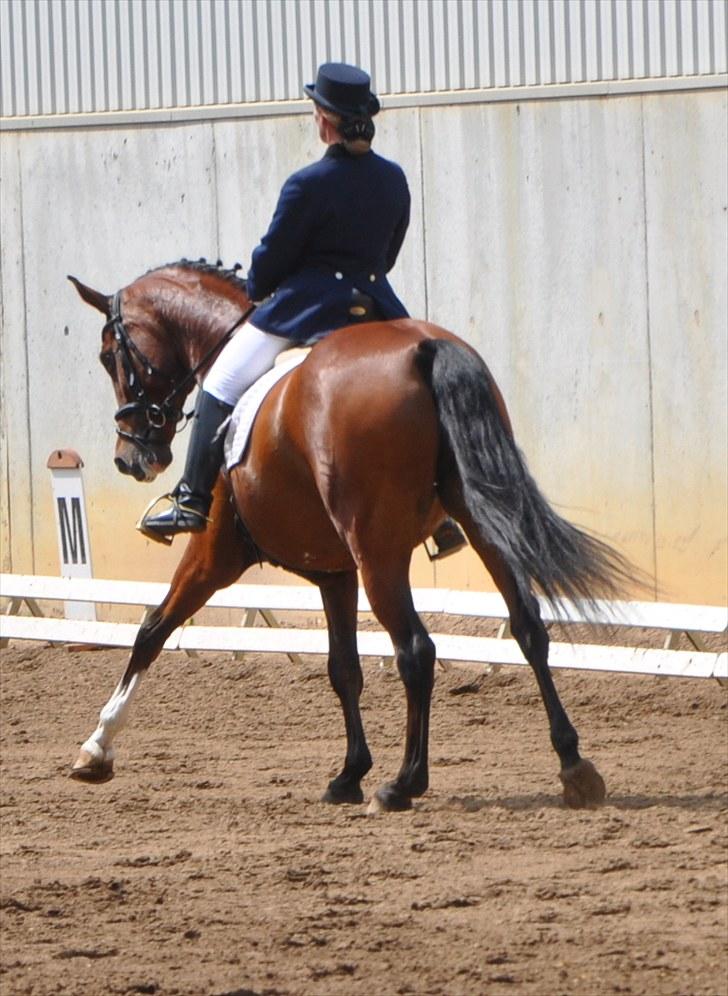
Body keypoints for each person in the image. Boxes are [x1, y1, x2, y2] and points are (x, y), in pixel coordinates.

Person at [140, 62, 465, 559]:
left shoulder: (306, 184)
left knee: (221, 382)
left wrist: (259, 284)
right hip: (377, 305)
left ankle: (191, 498)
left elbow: (270, 262)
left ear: (325, 121)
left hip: (307, 310)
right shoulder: (394, 179)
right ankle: (441, 513)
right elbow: (389, 253)